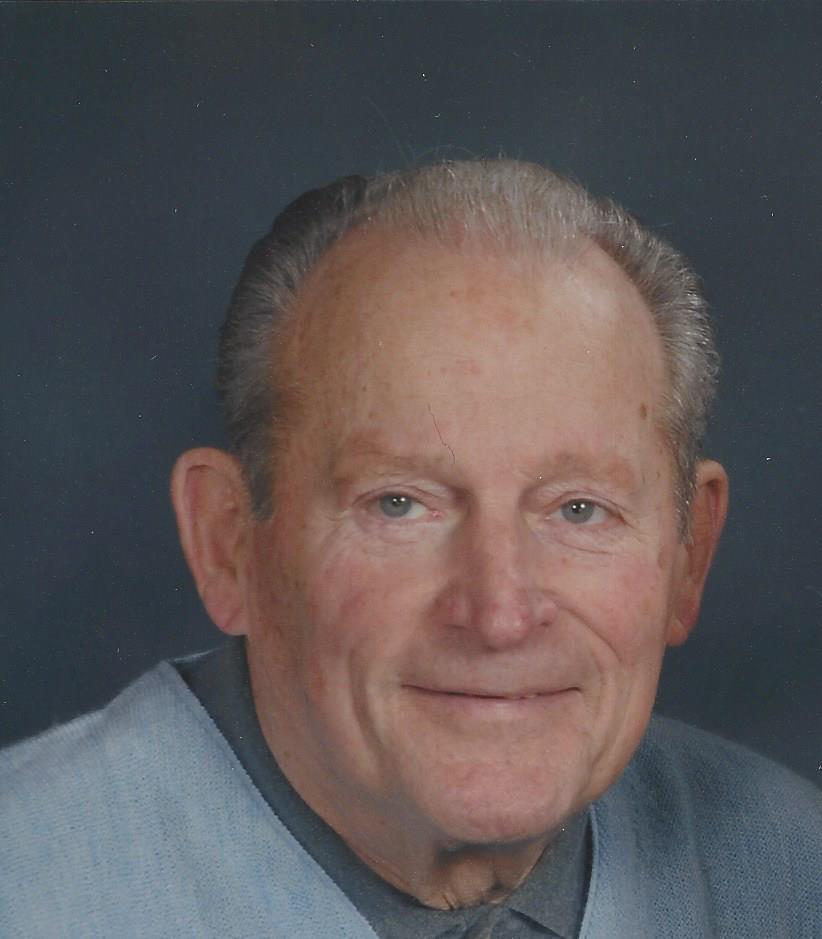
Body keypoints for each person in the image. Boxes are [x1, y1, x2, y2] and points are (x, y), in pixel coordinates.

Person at [2, 160, 820, 938]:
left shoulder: (790, 872)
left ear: (688, 555)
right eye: (398, 504)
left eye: (579, 510)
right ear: (229, 545)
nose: (499, 615)